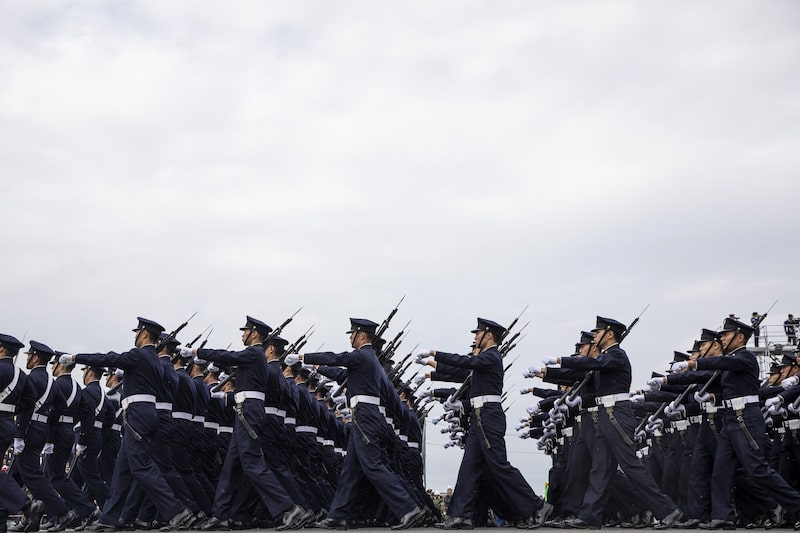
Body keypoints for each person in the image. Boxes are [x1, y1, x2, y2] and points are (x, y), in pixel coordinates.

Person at [545, 316, 683, 529]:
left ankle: (667, 510)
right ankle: (589, 515)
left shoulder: (616, 356)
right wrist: (547, 373)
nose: (595, 337)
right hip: (606, 416)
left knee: (631, 465)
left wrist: (560, 360)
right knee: (599, 469)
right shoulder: (607, 357)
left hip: (616, 415)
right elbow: (581, 372)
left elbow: (592, 363)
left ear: (609, 334)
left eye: (597, 333)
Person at [287, 318, 426, 530]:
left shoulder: (362, 355)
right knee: (350, 472)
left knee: (372, 465)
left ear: (361, 335)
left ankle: (408, 509)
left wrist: (302, 357)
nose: (350, 337)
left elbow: (337, 358)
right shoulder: (368, 361)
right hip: (365, 416)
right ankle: (338, 516)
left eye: (352, 334)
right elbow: (342, 373)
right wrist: (316, 366)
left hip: (365, 417)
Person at [60, 318, 194, 532]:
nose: (134, 336)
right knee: (122, 472)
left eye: (137, 332)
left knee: (141, 466)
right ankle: (109, 518)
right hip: (145, 414)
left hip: (138, 415)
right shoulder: (154, 360)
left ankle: (176, 511)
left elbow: (110, 358)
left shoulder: (139, 355)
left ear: (143, 334)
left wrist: (76, 357)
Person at [181, 316, 310, 531]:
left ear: (255, 333)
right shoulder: (252, 357)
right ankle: (221, 515)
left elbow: (227, 356)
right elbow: (227, 359)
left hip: (248, 413)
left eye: (245, 331)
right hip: (244, 412)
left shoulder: (254, 353)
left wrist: (197, 352)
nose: (242, 335)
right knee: (231, 468)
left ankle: (288, 509)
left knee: (252, 464)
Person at [424, 318, 551, 530]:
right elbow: (460, 371)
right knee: (469, 468)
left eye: (478, 334)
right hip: (479, 416)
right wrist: (434, 366)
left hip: (488, 416)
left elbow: (466, 363)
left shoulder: (491, 356)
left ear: (488, 335)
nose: (475, 338)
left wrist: (436, 353)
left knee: (499, 466)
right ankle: (460, 515)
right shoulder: (483, 360)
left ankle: (537, 506)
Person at [676, 317, 800, 529]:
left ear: (740, 337)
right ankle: (723, 515)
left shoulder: (744, 357)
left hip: (746, 418)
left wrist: (693, 363)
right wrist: (668, 381)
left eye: (726, 334)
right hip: (733, 418)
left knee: (757, 469)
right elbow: (718, 380)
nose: (722, 338)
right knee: (722, 469)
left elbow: (722, 363)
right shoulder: (731, 361)